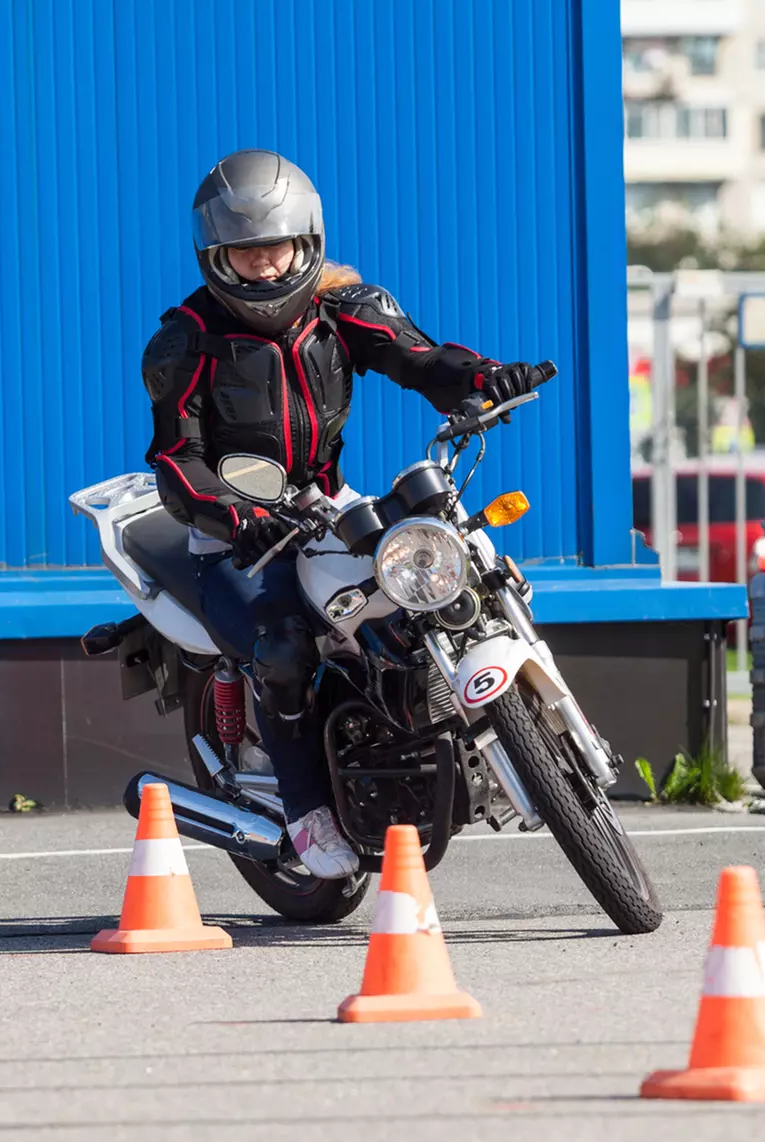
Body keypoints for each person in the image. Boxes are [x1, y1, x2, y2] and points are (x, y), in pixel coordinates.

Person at [140, 149, 544, 881]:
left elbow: (417, 359)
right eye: (244, 253)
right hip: (232, 533)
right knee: (283, 646)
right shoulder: (185, 342)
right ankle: (305, 813)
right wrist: (236, 519)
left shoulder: (343, 307)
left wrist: (483, 378)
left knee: (450, 568)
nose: (263, 268)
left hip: (326, 502)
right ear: (214, 256)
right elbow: (177, 460)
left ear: (307, 244)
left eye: (276, 249)